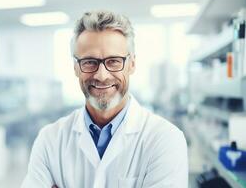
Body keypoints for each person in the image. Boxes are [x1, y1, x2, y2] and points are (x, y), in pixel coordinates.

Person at [21, 10, 188, 188]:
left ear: (132, 64)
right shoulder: (50, 139)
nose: (101, 75)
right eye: (90, 62)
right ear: (76, 67)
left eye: (114, 61)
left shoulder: (165, 139)